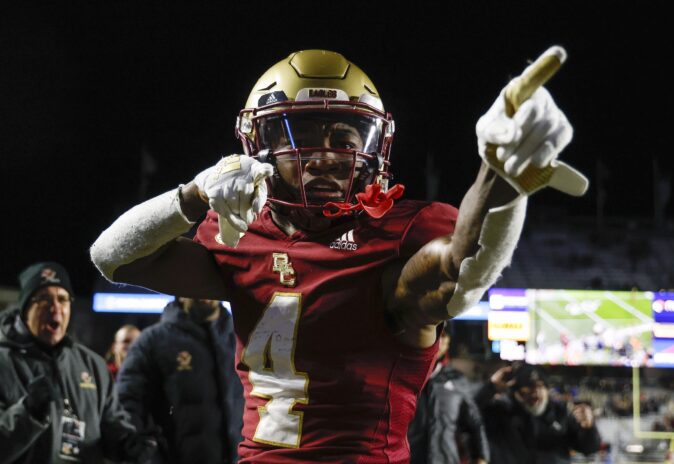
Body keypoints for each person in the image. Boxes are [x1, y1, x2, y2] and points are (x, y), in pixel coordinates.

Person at [90, 48, 576, 462]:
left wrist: (500, 179)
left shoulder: (397, 235)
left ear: (372, 150)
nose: (323, 155)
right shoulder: (239, 234)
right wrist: (195, 194)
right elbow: (111, 256)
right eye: (301, 136)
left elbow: (462, 271)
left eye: (344, 140)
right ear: (260, 148)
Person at [0, 261, 154, 463]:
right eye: (44, 299)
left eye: (63, 299)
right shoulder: (4, 363)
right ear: (25, 309)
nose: (55, 308)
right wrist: (28, 413)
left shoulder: (92, 365)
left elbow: (112, 426)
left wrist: (128, 445)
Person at [116, 297, 244, 464]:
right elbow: (127, 407)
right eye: (196, 280)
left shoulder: (243, 339)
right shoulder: (152, 342)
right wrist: (148, 455)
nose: (203, 289)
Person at [475, 363, 601, 464]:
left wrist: (589, 428)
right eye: (528, 386)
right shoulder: (500, 412)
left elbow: (589, 448)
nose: (535, 391)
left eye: (540, 386)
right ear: (516, 392)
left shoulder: (561, 413)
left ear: (547, 390)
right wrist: (491, 386)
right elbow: (469, 414)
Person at [408, 323, 489, 464]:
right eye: (435, 333)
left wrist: (481, 457)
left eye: (443, 335)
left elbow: (475, 423)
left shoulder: (457, 380)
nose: (438, 339)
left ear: (448, 342)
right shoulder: (405, 375)